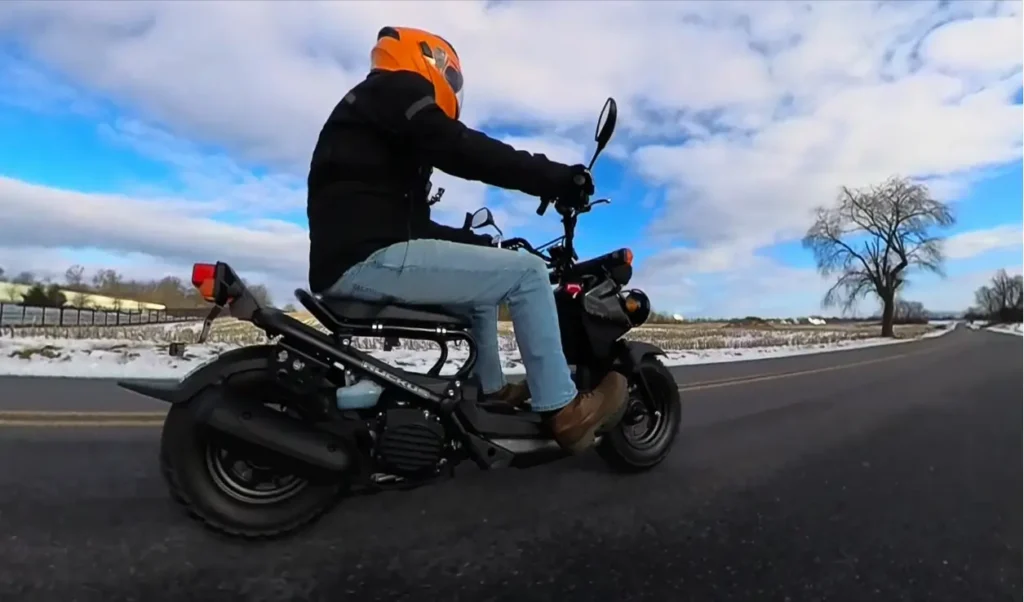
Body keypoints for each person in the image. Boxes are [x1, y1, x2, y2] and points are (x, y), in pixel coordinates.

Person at [306, 26, 627, 454]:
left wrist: (471, 243)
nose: (453, 88)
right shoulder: (399, 87)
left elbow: (410, 224)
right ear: (428, 60)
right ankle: (564, 411)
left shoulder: (372, 109)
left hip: (358, 256)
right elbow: (460, 148)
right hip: (368, 259)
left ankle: (490, 393)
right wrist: (553, 177)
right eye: (453, 78)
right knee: (530, 274)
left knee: (482, 296)